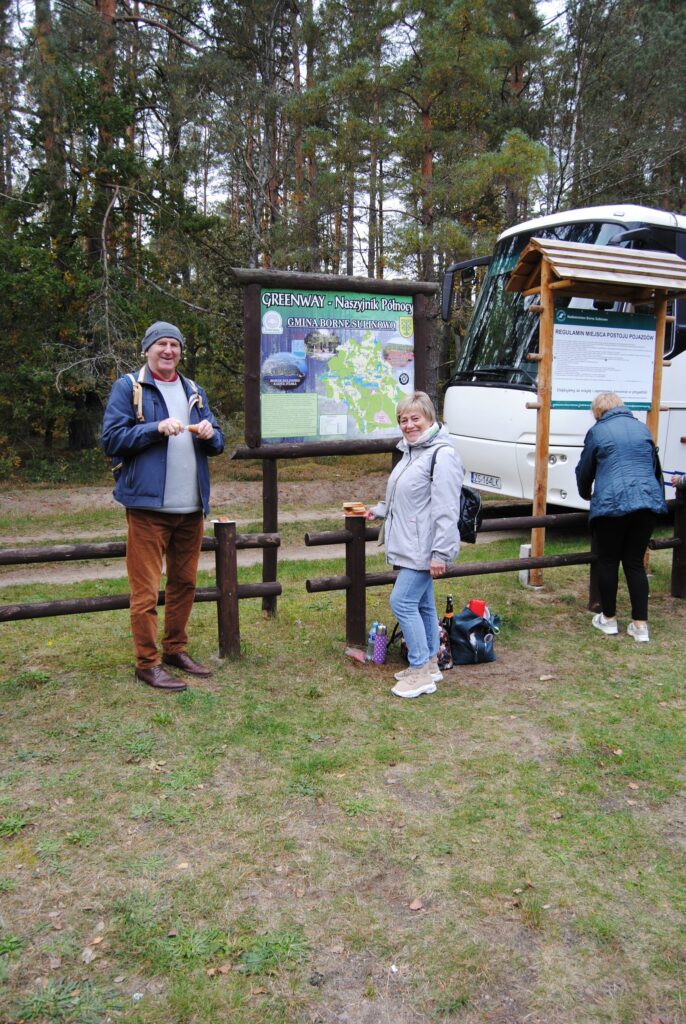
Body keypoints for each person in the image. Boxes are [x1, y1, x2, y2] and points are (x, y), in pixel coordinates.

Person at [101, 321, 225, 691]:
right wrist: (154, 429)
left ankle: (174, 649)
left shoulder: (193, 389)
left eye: (174, 345)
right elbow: (111, 439)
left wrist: (208, 433)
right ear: (147, 350)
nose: (168, 351)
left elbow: (218, 441)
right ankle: (147, 662)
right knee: (145, 592)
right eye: (161, 345)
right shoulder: (129, 387)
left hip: (190, 508)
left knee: (184, 583)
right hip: (148, 510)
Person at [365, 391, 463, 698]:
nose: (408, 425)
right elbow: (404, 495)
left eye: (414, 418)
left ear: (430, 418)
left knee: (402, 602)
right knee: (421, 605)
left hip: (424, 548)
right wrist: (379, 510)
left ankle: (419, 670)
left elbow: (447, 509)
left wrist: (441, 554)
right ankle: (431, 663)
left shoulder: (441, 455)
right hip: (411, 544)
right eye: (403, 420)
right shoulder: (412, 452)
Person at [575, 391, 666, 644]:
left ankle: (609, 619)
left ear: (598, 413)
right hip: (646, 503)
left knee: (608, 561)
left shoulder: (598, 431)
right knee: (635, 563)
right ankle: (640, 625)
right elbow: (654, 467)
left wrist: (586, 494)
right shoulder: (642, 429)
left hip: (612, 504)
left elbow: (585, 469)